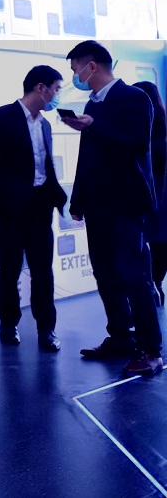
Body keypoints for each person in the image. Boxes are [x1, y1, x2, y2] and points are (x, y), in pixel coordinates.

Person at [64, 40, 162, 376]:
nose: (75, 75)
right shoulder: (93, 104)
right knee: (104, 274)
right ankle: (120, 337)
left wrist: (95, 126)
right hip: (97, 204)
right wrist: (77, 200)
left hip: (126, 204)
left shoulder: (134, 98)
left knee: (134, 276)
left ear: (92, 66)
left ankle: (151, 350)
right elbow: (87, 158)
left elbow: (137, 144)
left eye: (76, 68)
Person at [0, 66, 67, 353]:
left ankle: (47, 329)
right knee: (10, 268)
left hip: (41, 206)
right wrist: (1, 207)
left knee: (43, 270)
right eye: (56, 89)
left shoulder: (45, 124)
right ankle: (8, 323)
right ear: (41, 88)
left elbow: (45, 166)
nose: (57, 95)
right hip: (11, 210)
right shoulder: (0, 117)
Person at [135, 81, 167, 307]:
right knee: (159, 242)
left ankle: (151, 285)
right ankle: (156, 284)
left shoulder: (142, 127)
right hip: (156, 191)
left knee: (146, 241)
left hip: (150, 190)